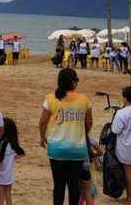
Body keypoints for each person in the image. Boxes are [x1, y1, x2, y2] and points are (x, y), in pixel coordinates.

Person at [38, 68, 92, 205]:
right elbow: (89, 122)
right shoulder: (84, 100)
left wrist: (42, 137)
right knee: (74, 183)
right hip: (77, 148)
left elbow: (43, 121)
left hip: (56, 148)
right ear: (74, 83)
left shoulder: (50, 99)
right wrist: (83, 133)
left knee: (59, 184)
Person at [0, 118, 25, 205]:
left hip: (0, 175)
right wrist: (12, 158)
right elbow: (22, 153)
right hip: (9, 175)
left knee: (0, 198)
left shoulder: (2, 143)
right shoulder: (13, 143)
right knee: (8, 196)